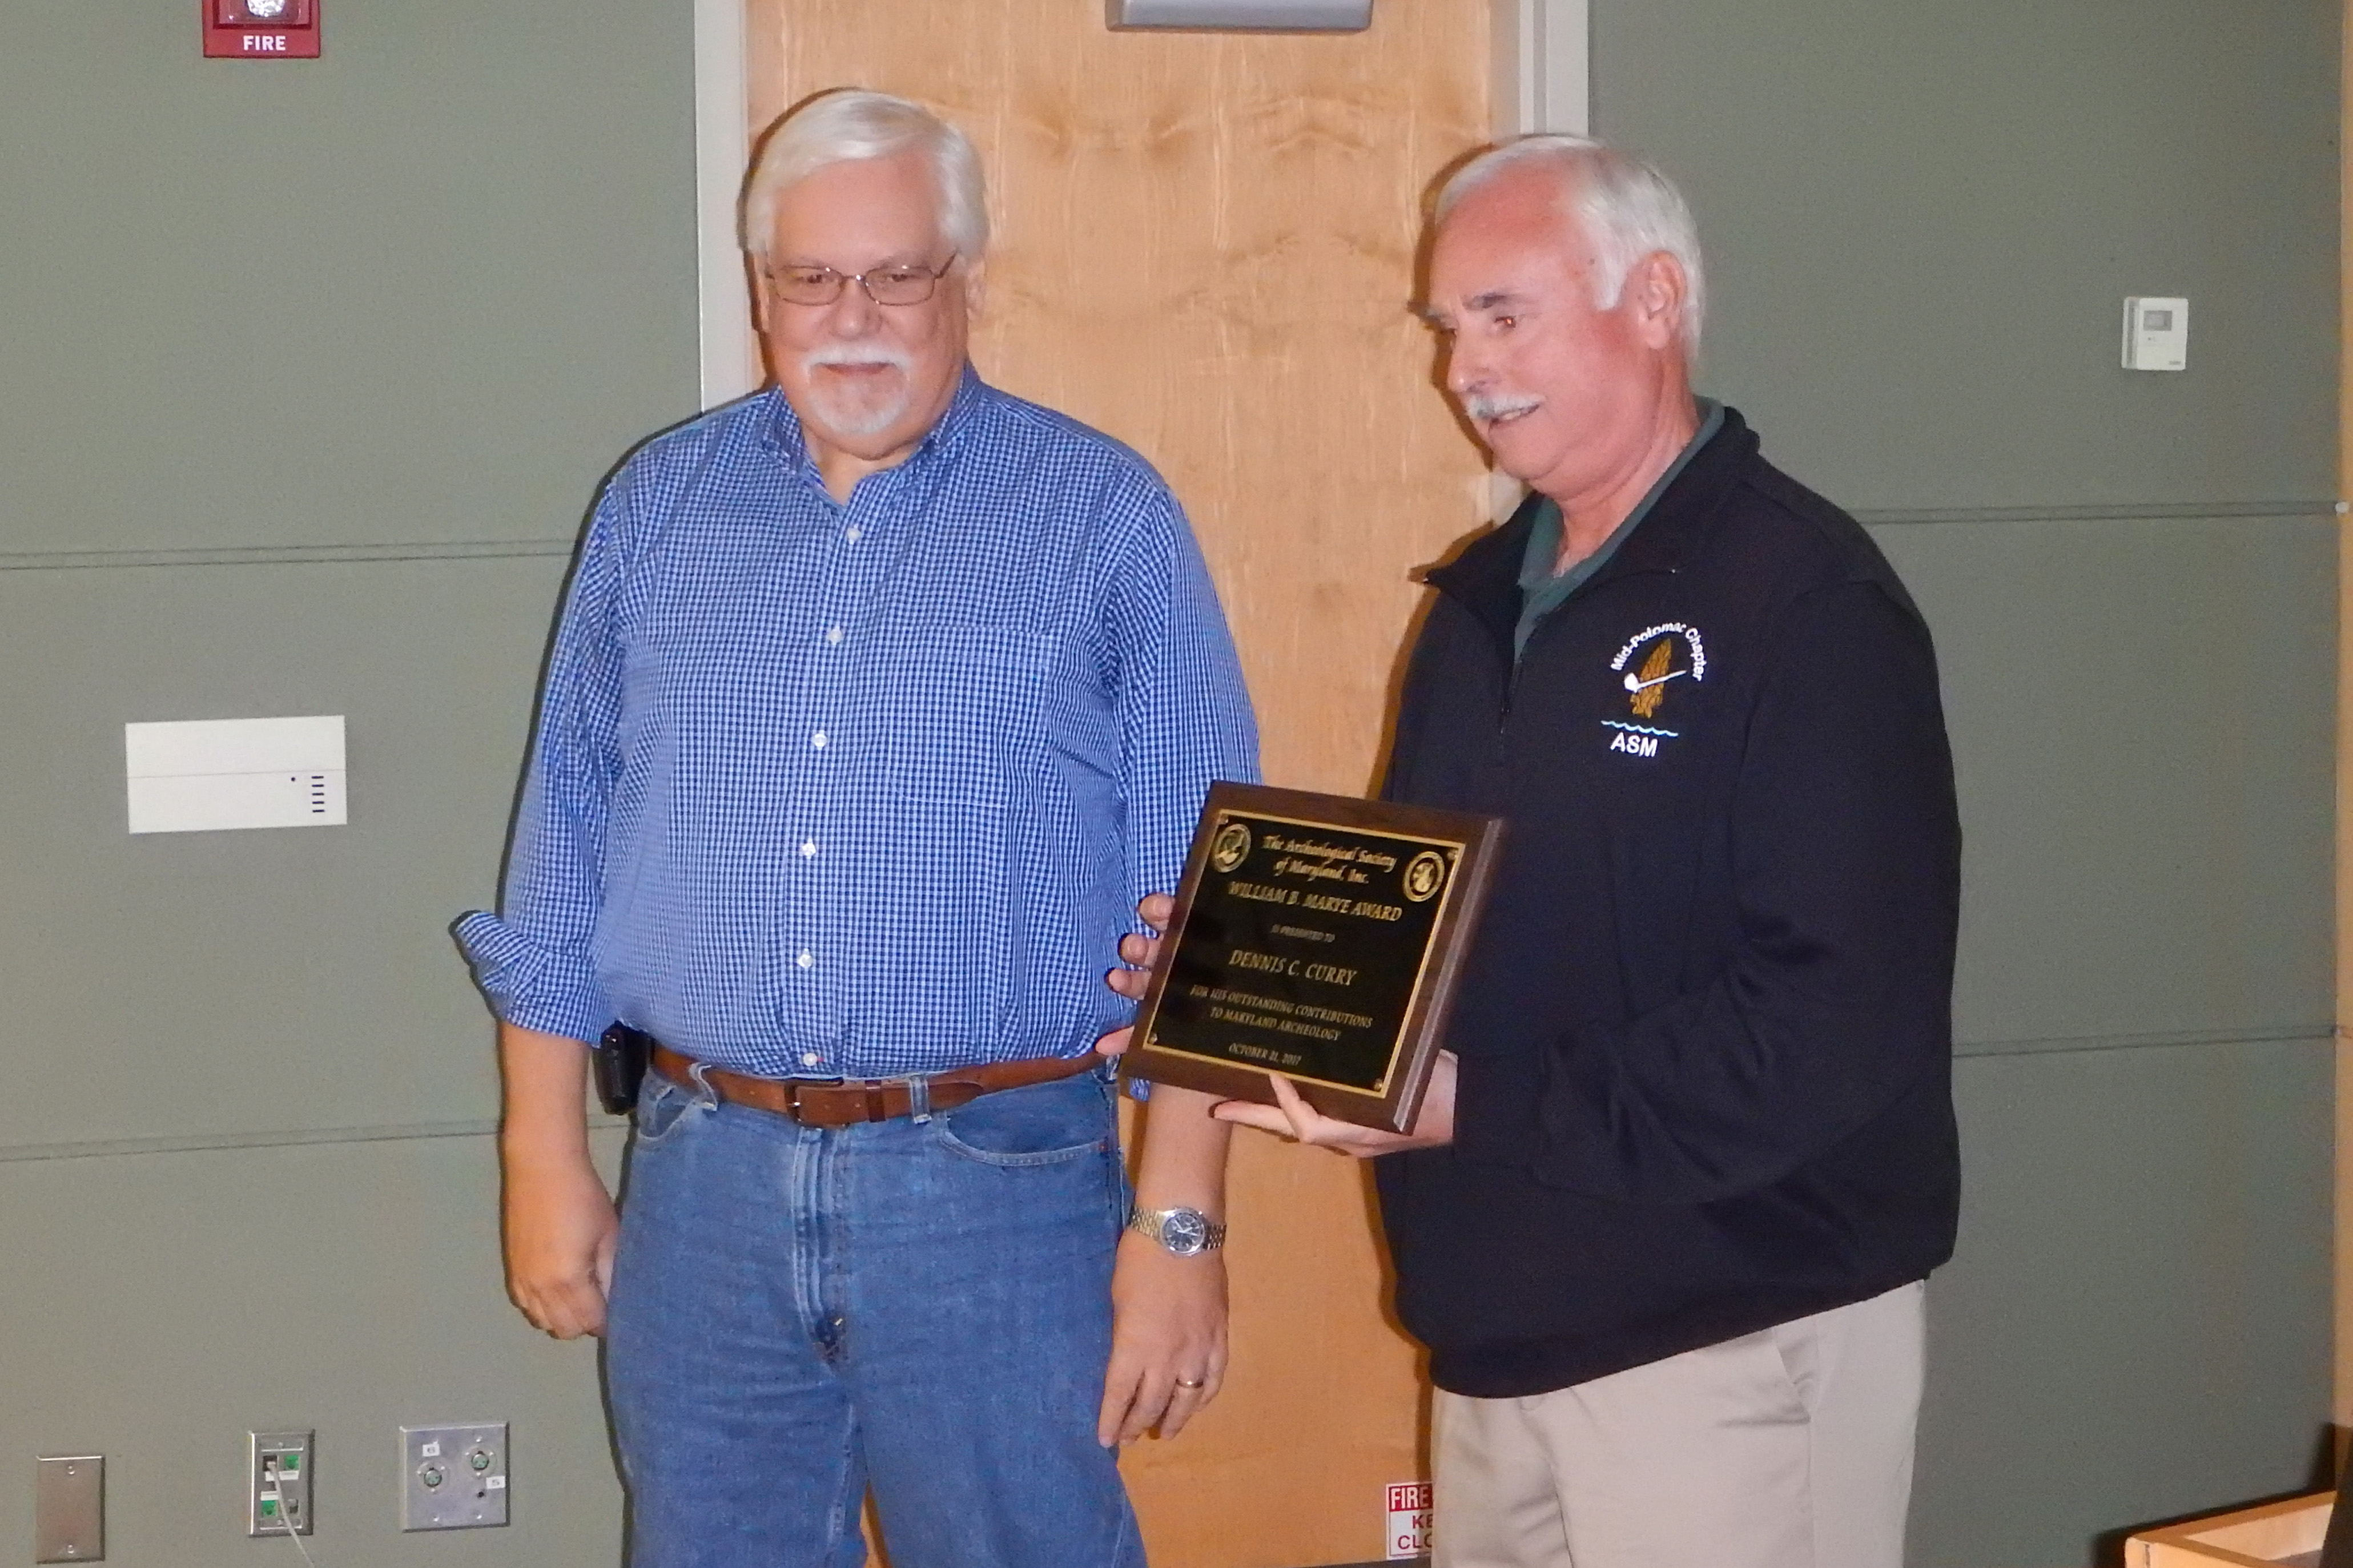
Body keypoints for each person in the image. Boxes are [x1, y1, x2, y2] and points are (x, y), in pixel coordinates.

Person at [1109, 135, 1960, 1568]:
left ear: (1657, 301)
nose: (1465, 371)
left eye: (1505, 316)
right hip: (1500, 1339)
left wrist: (1467, 1107)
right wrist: (1242, 979)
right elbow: (1443, 932)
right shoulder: (1482, 601)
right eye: (1451, 328)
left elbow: (1833, 1026)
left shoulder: (1806, 606)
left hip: (1730, 1342)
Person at [456, 89, 1257, 1568]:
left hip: (1001, 1188)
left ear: (968, 281)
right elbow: (563, 843)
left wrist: (1178, 1223)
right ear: (760, 293)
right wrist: (541, 1149)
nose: (853, 319)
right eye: (809, 279)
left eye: (900, 275)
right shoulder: (655, 509)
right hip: (704, 1182)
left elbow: (1205, 901)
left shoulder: (1101, 517)